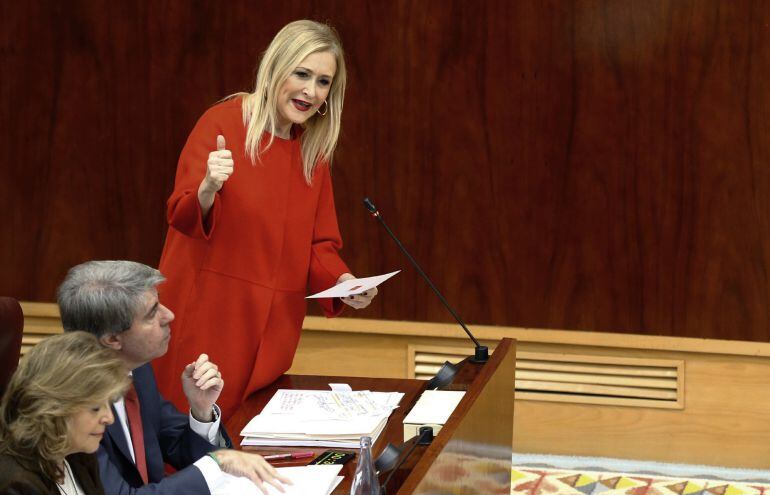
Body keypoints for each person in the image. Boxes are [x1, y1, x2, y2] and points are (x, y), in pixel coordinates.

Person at [153, 19, 378, 418]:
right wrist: (208, 186)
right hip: (210, 319)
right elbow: (182, 214)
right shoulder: (222, 123)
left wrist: (344, 283)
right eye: (302, 74)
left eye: (323, 81)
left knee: (246, 455)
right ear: (276, 67)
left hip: (271, 334)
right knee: (190, 452)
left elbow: (318, 245)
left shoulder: (312, 152)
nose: (311, 91)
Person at [57, 260, 288, 495]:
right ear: (113, 340)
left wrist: (201, 411)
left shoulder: (135, 367)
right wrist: (217, 463)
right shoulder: (71, 402)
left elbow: (174, 443)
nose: (169, 315)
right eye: (152, 313)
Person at [0, 331, 130, 495]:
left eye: (109, 403)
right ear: (54, 408)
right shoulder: (14, 485)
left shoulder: (79, 457)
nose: (110, 419)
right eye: (95, 408)